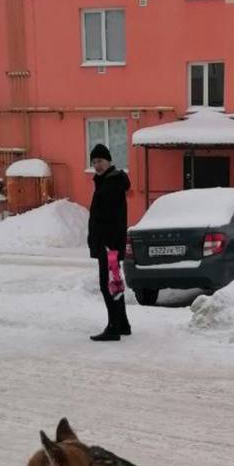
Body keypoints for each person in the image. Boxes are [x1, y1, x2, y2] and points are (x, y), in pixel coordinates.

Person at [87, 143, 132, 342]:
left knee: (108, 285)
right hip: (110, 244)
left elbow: (111, 218)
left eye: (100, 161)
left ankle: (114, 327)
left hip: (109, 245)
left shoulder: (111, 184)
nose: (97, 165)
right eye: (94, 162)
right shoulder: (108, 182)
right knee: (114, 283)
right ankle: (122, 324)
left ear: (109, 161)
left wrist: (106, 244)